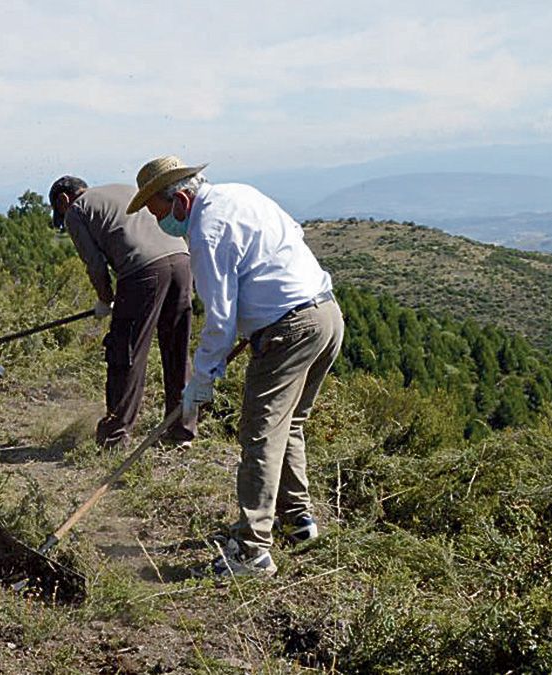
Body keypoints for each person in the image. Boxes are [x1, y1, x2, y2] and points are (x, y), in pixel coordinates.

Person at [127, 156, 344, 577]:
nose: (161, 225)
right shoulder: (240, 193)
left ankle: (251, 552)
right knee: (289, 425)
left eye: (158, 213)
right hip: (327, 316)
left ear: (181, 200)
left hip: (290, 329)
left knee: (260, 434)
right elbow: (289, 240)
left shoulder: (207, 230)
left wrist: (201, 380)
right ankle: (298, 523)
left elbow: (220, 320)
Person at [49, 176, 196, 449]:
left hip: (142, 271)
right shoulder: (124, 189)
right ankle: (181, 431)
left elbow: (95, 264)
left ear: (62, 200)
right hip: (181, 260)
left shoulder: (75, 211)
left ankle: (115, 436)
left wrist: (105, 299)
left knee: (125, 352)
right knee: (177, 349)